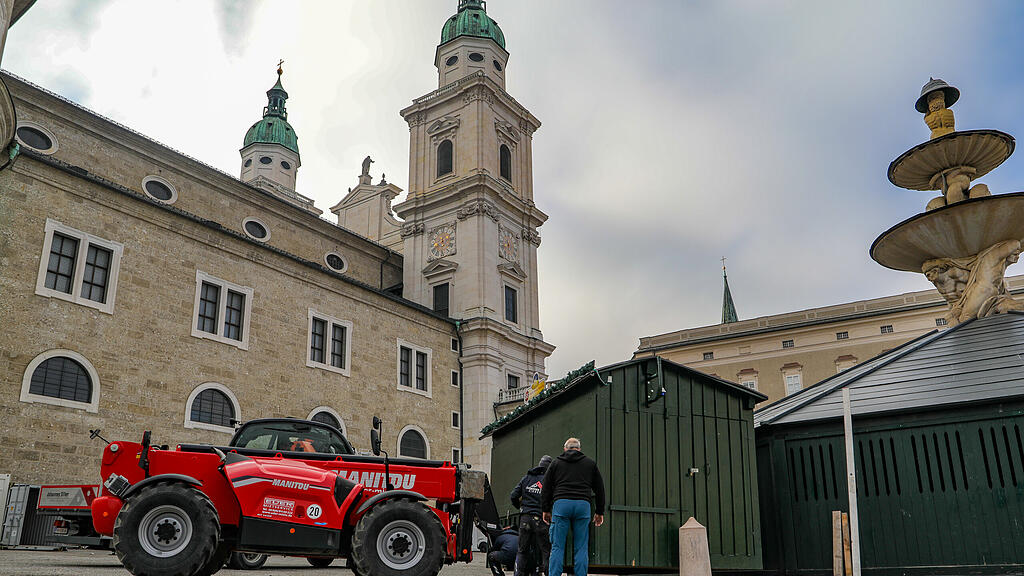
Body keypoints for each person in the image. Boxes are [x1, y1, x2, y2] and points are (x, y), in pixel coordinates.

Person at [541, 438, 605, 576]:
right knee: (581, 547)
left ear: (565, 448)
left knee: (557, 547)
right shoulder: (590, 464)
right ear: (579, 449)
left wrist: (545, 509)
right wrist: (599, 512)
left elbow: (546, 487)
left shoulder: (556, 463)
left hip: (561, 504)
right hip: (583, 505)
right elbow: (600, 489)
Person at [510, 455, 552, 576]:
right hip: (541, 519)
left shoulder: (527, 478)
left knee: (522, 551)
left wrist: (521, 508)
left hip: (525, 518)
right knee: (546, 551)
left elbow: (513, 495)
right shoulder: (549, 480)